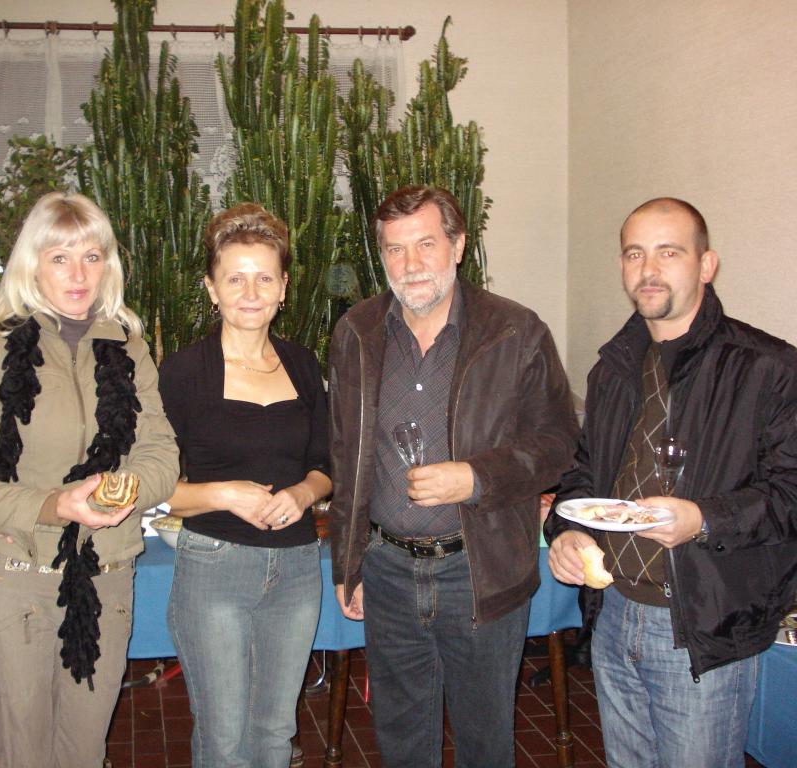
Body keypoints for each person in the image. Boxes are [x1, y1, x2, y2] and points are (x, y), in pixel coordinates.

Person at [328, 185, 578, 767]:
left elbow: (559, 444)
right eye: (394, 249)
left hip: (478, 570)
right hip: (387, 571)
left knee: (484, 742)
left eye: (426, 244)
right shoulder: (356, 332)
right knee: (400, 741)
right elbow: (345, 455)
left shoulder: (515, 331)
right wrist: (348, 560)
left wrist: (476, 477)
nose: (410, 264)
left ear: (458, 245)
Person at [546, 198, 797, 768]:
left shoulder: (767, 368)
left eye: (669, 252)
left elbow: (791, 495)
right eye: (635, 254)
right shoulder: (613, 368)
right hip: (614, 613)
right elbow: (583, 474)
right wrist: (568, 531)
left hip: (702, 626)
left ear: (706, 265)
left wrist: (703, 519)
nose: (649, 269)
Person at [0, 192, 179, 768]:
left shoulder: (128, 348)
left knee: (83, 754)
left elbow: (162, 454)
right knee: (20, 757)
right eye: (60, 257)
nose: (78, 274)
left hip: (106, 582)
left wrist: (123, 490)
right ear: (32, 264)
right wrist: (56, 505)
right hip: (18, 582)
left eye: (92, 257)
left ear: (108, 265)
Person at [158, 202, 332, 768]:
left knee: (276, 732)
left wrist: (303, 493)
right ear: (212, 289)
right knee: (225, 738)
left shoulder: (304, 365)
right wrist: (224, 493)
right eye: (235, 279)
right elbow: (149, 484)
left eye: (264, 278)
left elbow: (324, 463)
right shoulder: (183, 372)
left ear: (284, 288)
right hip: (214, 568)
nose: (251, 292)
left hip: (298, 568)